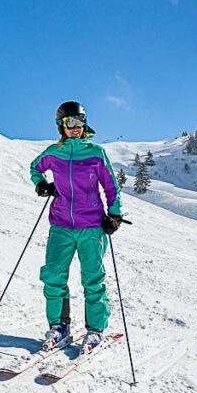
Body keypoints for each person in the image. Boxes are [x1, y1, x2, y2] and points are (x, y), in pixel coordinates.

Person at [31, 101, 126, 353]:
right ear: (61, 125)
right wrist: (42, 184)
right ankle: (59, 326)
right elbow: (35, 168)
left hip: (91, 226)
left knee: (93, 279)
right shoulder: (54, 152)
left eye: (80, 122)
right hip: (61, 225)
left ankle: (95, 330)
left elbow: (111, 186)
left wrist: (114, 214)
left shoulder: (95, 153)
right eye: (71, 122)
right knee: (53, 276)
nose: (77, 127)